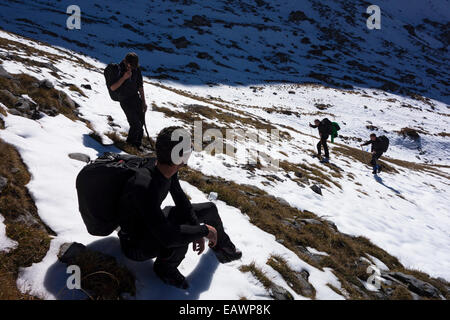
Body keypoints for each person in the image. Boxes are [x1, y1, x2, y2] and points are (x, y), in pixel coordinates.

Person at [118, 126, 242, 289]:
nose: (189, 154)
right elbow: (168, 237)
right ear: (177, 156)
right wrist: (203, 230)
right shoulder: (144, 185)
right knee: (180, 231)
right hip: (135, 245)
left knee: (209, 209)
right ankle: (165, 269)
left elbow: (181, 199)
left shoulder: (165, 168)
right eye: (188, 150)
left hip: (151, 224)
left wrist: (196, 225)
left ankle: (221, 245)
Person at [108, 52, 147, 150]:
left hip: (135, 98)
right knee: (135, 124)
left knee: (141, 122)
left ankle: (137, 145)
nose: (133, 67)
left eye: (134, 66)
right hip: (125, 99)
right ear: (125, 61)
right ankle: (129, 145)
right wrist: (124, 77)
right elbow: (113, 87)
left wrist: (143, 101)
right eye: (131, 65)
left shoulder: (136, 69)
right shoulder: (118, 69)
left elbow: (140, 86)